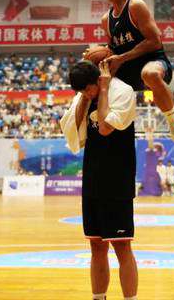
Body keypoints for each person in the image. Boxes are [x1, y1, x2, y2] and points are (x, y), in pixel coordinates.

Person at [60, 61, 139, 300]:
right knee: (96, 245)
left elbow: (105, 127)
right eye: (81, 91)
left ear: (98, 80)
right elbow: (73, 129)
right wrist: (85, 99)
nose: (86, 94)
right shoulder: (84, 94)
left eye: (88, 90)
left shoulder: (122, 91)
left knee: (122, 245)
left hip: (118, 179)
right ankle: (98, 297)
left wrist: (103, 91)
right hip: (93, 177)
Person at [97, 0, 174, 146]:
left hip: (153, 62)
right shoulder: (106, 20)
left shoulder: (135, 5)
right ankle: (88, 130)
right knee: (95, 78)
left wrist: (121, 58)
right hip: (127, 70)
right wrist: (102, 55)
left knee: (149, 74)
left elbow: (155, 41)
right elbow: (113, 49)